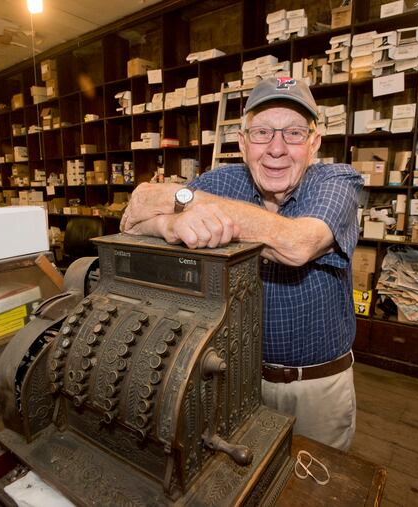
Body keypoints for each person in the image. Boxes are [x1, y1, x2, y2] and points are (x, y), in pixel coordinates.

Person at [120, 76, 363, 451]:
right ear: (243, 143)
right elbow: (132, 221)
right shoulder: (222, 182)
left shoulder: (336, 182)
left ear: (314, 144)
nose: (277, 149)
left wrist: (183, 199)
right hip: (234, 380)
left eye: (294, 133)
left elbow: (296, 245)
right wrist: (172, 223)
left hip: (315, 388)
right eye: (263, 132)